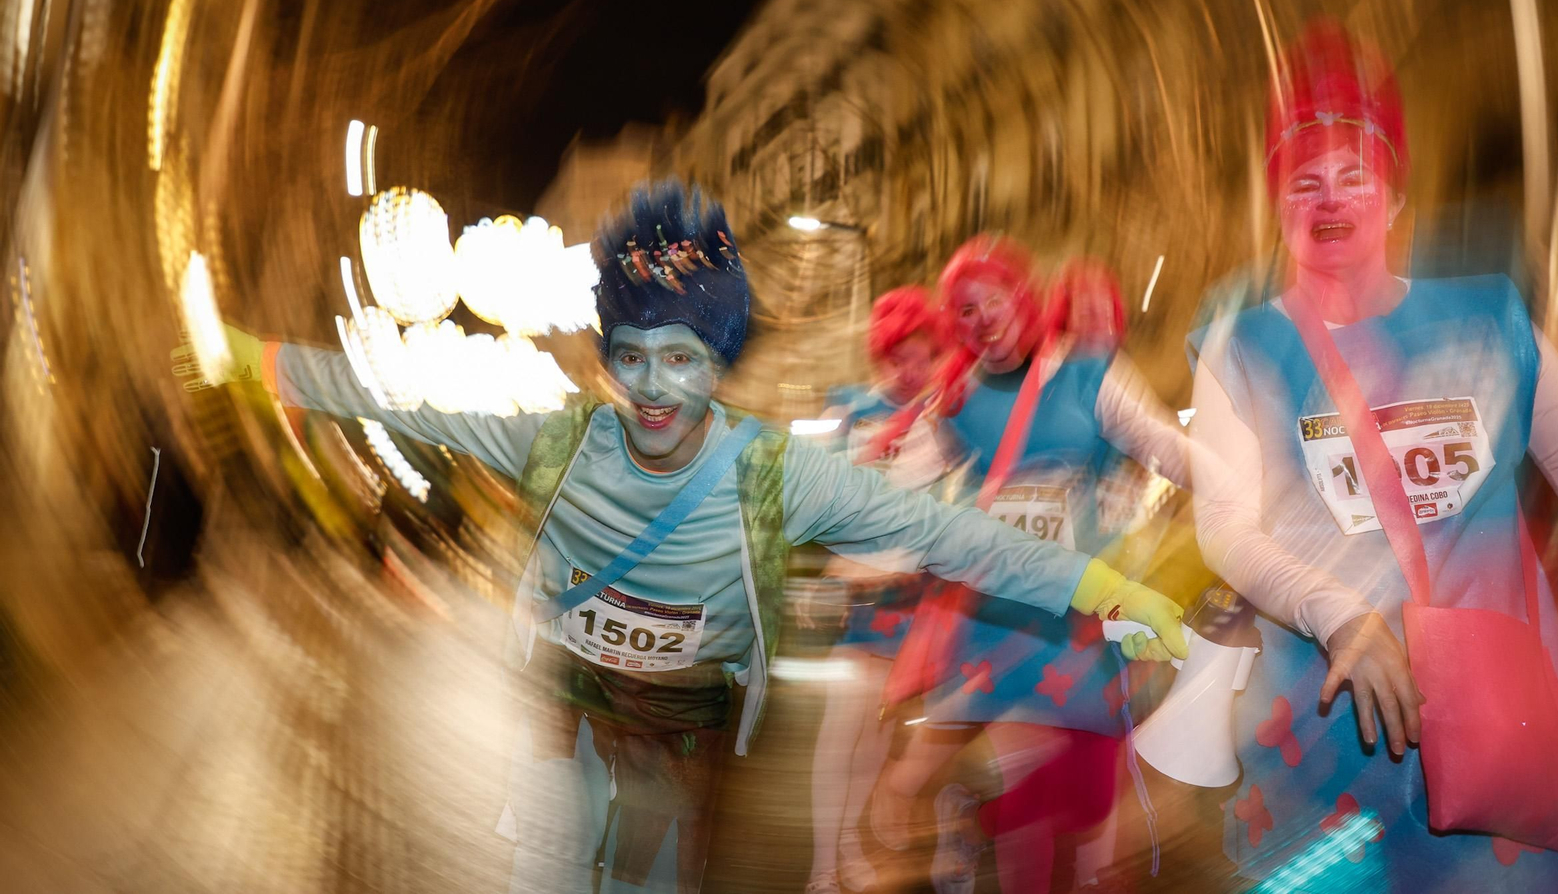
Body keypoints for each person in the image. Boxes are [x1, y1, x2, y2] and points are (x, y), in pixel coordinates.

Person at [201, 182, 1188, 894]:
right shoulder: (562, 442)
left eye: (680, 356)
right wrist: (274, 363)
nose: (653, 384)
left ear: (713, 363)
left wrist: (1105, 584)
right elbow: (408, 398)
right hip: (583, 725)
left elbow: (942, 532)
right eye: (632, 356)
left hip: (689, 737)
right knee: (562, 861)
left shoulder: (771, 467)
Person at [1188, 18, 1558, 891]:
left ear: (1396, 197)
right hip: (1327, 758)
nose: (1331, 201)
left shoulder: (1494, 317)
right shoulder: (1243, 345)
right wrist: (1338, 612)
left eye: (1355, 175)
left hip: (1502, 750)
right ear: (1279, 206)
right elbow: (1224, 525)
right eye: (1305, 182)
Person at [871, 238, 1191, 894]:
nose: (984, 317)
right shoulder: (956, 392)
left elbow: (1166, 450)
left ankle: (982, 813)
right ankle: (978, 814)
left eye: (995, 300)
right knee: (1031, 780)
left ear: (1025, 300)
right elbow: (902, 488)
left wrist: (1232, 491)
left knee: (1091, 789)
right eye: (967, 308)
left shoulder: (1089, 378)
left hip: (1087, 615)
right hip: (1002, 615)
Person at [803, 286, 959, 894]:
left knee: (875, 733)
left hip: (916, 597)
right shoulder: (849, 407)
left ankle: (850, 843)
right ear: (881, 353)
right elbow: (821, 495)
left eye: (922, 355)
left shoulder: (944, 418)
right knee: (841, 730)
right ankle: (822, 865)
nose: (910, 368)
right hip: (862, 596)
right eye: (899, 355)